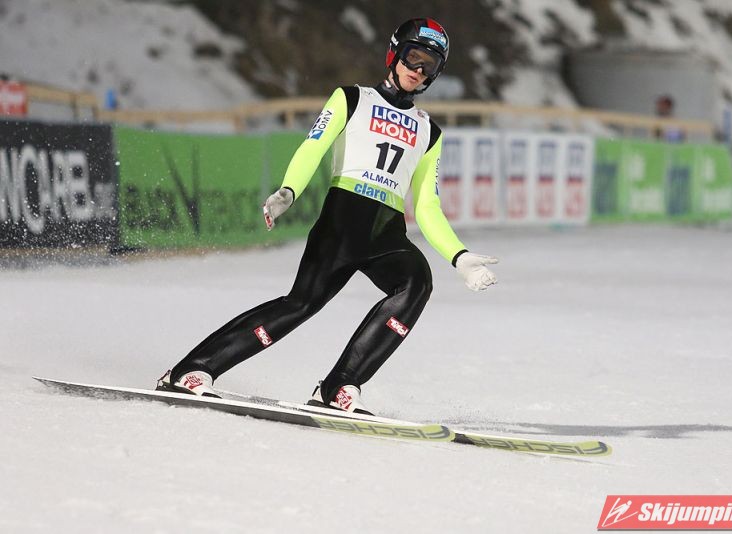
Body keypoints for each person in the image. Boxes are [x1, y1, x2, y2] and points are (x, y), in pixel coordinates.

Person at [157, 18, 498, 415]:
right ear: (394, 53)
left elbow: (426, 206)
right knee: (300, 305)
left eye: (430, 65)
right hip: (342, 223)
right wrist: (289, 190)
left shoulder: (429, 132)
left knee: (416, 282)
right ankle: (191, 370)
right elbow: (312, 148)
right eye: (413, 57)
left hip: (385, 233)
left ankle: (340, 386)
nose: (418, 70)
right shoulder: (351, 98)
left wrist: (459, 256)